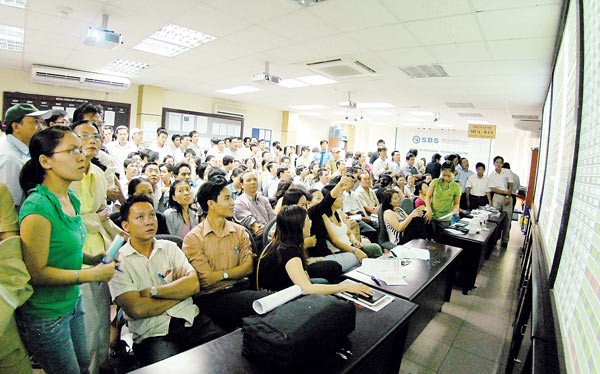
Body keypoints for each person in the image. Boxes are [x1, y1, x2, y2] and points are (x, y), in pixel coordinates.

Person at [17, 126, 116, 374]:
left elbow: (60, 249)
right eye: (72, 150)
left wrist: (91, 258)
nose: (82, 157)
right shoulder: (38, 207)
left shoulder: (71, 199)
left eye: (81, 150)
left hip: (72, 301)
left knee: (83, 366)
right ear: (45, 161)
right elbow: (37, 272)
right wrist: (88, 275)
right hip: (47, 315)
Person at [108, 195, 225, 367]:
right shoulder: (118, 261)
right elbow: (137, 309)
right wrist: (179, 293)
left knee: (229, 355)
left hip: (191, 320)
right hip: (153, 333)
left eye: (152, 215)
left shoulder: (170, 247)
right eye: (140, 217)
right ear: (126, 226)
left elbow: (193, 285)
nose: (149, 221)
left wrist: (153, 292)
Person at [69, 120, 123, 374]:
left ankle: (101, 364)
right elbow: (66, 219)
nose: (92, 140)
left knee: (101, 314)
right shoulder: (66, 174)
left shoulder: (99, 173)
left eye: (96, 135)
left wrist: (118, 233)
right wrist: (97, 219)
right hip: (77, 253)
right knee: (86, 320)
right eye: (85, 135)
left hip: (102, 251)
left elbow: (104, 215)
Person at [182, 176, 267, 330]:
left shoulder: (240, 231)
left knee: (272, 305)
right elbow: (206, 279)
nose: (232, 202)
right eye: (227, 198)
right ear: (211, 204)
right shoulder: (193, 238)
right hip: (213, 297)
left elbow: (248, 268)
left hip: (241, 289)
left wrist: (221, 275)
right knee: (268, 304)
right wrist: (234, 273)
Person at [257, 205, 373, 296]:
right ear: (299, 226)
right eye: (308, 221)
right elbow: (307, 289)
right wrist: (346, 287)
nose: (311, 223)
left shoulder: (280, 242)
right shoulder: (289, 252)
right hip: (281, 299)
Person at [0, 103, 50, 208]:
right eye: (35, 122)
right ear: (16, 126)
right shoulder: (10, 158)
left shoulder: (21, 149)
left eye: (41, 122)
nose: (41, 127)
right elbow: (10, 206)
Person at [322, 184, 383, 264]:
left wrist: (354, 241)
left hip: (350, 246)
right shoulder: (324, 217)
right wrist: (354, 250)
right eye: (340, 196)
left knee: (375, 248)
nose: (342, 199)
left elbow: (349, 232)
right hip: (339, 251)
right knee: (364, 256)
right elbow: (335, 242)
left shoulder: (340, 213)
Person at [233, 172, 276, 252]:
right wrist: (268, 228)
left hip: (271, 233)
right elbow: (256, 228)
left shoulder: (264, 199)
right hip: (256, 240)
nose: (253, 182)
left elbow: (273, 219)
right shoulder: (239, 203)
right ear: (242, 185)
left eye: (255, 179)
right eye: (248, 180)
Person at [424, 161, 461, 235]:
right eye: (443, 175)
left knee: (442, 240)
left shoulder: (456, 186)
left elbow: (456, 203)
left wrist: (455, 210)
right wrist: (429, 209)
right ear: (440, 172)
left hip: (445, 219)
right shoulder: (435, 182)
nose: (446, 178)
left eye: (449, 176)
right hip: (432, 216)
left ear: (454, 173)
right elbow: (428, 197)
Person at [488, 156, 514, 247]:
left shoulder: (507, 172)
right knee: (495, 219)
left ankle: (505, 241)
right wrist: (504, 192)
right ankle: (494, 239)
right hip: (497, 197)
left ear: (502, 164)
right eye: (497, 162)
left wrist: (507, 195)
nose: (498, 164)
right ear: (494, 163)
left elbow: (511, 185)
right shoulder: (491, 175)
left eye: (500, 162)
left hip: (508, 197)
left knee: (508, 219)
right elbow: (494, 189)